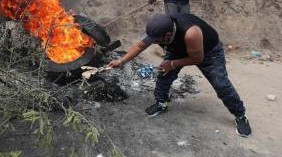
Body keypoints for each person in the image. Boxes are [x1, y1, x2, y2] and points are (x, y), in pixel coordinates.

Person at [108, 13, 252, 137]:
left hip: (208, 53)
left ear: (168, 35)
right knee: (164, 75)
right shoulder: (157, 30)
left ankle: (240, 115)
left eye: (156, 40)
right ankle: (161, 103)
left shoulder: (191, 33)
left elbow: (197, 59)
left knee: (221, 84)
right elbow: (140, 45)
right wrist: (121, 61)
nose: (153, 43)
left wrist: (172, 64)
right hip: (178, 49)